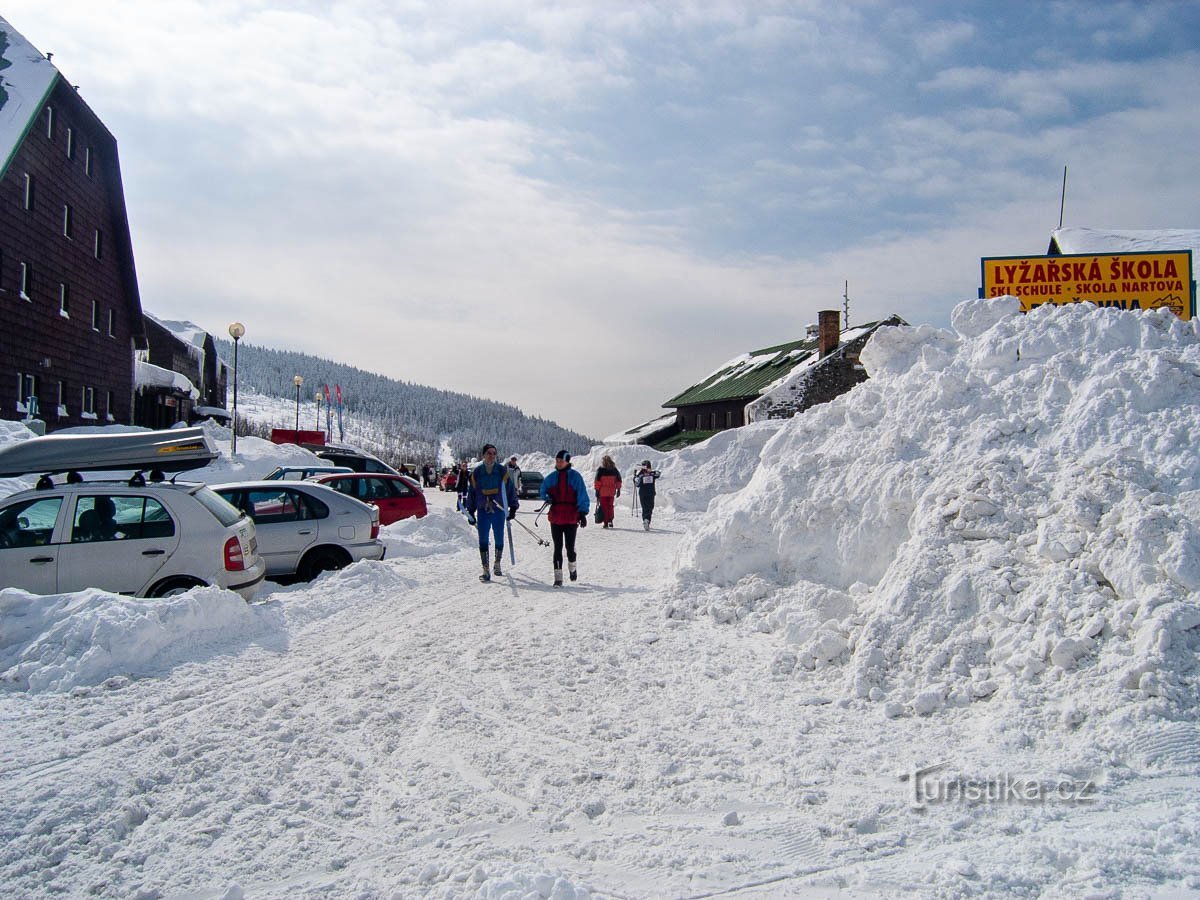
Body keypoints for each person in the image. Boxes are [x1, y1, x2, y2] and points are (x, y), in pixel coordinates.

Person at [465, 444, 518, 582]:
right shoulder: (477, 472)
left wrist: (513, 507)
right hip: (483, 510)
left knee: (499, 537)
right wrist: (470, 511)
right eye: (489, 453)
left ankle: (497, 563)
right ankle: (485, 568)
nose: (492, 455)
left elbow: (510, 489)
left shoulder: (501, 471)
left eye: (494, 453)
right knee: (483, 539)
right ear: (483, 455)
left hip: (499, 511)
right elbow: (471, 493)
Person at [539, 450, 589, 586]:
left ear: (567, 461)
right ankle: (558, 578)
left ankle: (572, 568)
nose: (558, 463)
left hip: (571, 516)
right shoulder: (551, 477)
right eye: (557, 461)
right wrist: (548, 497)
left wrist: (583, 513)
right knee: (557, 547)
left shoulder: (576, 477)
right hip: (556, 516)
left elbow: (582, 495)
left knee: (570, 547)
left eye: (561, 461)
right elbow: (542, 490)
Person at [593, 454, 622, 529]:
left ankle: (606, 522)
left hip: (602, 492)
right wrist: (618, 489)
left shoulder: (600, 470)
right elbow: (619, 480)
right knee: (610, 506)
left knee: (604, 507)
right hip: (611, 491)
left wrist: (597, 491)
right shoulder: (614, 470)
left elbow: (597, 482)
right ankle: (610, 520)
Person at [634, 460, 661, 531]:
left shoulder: (641, 475)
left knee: (645, 507)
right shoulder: (652, 474)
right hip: (651, 493)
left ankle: (645, 520)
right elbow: (658, 474)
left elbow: (637, 484)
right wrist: (651, 472)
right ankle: (647, 520)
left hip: (643, 494)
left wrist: (635, 477)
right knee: (650, 507)